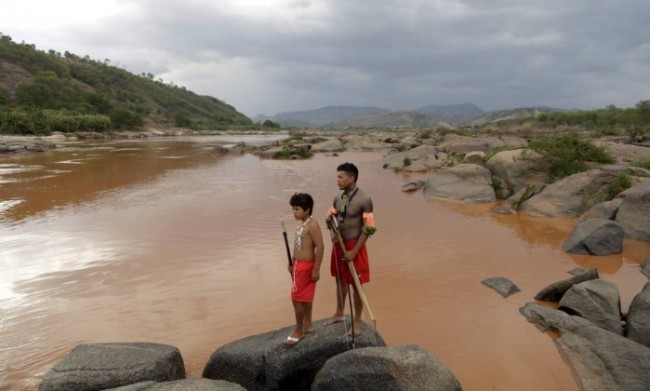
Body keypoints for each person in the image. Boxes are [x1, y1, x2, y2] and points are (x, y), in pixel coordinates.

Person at [326, 162, 376, 337]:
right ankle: (339, 313)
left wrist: (353, 252)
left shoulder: (364, 199)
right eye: (337, 177)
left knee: (356, 284)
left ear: (351, 178)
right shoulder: (337, 199)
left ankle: (356, 321)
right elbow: (331, 218)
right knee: (339, 280)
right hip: (338, 245)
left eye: (340, 177)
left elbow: (368, 228)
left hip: (355, 247)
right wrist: (333, 232)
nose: (337, 180)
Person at [284, 193, 324, 347]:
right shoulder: (301, 224)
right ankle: (308, 324)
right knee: (305, 297)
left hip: (307, 266)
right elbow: (298, 245)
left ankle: (298, 330)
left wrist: (316, 269)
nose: (294, 212)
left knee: (296, 298)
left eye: (297, 209)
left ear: (307, 210)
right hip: (298, 265)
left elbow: (320, 246)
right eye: (293, 209)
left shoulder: (312, 225)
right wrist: (292, 262)